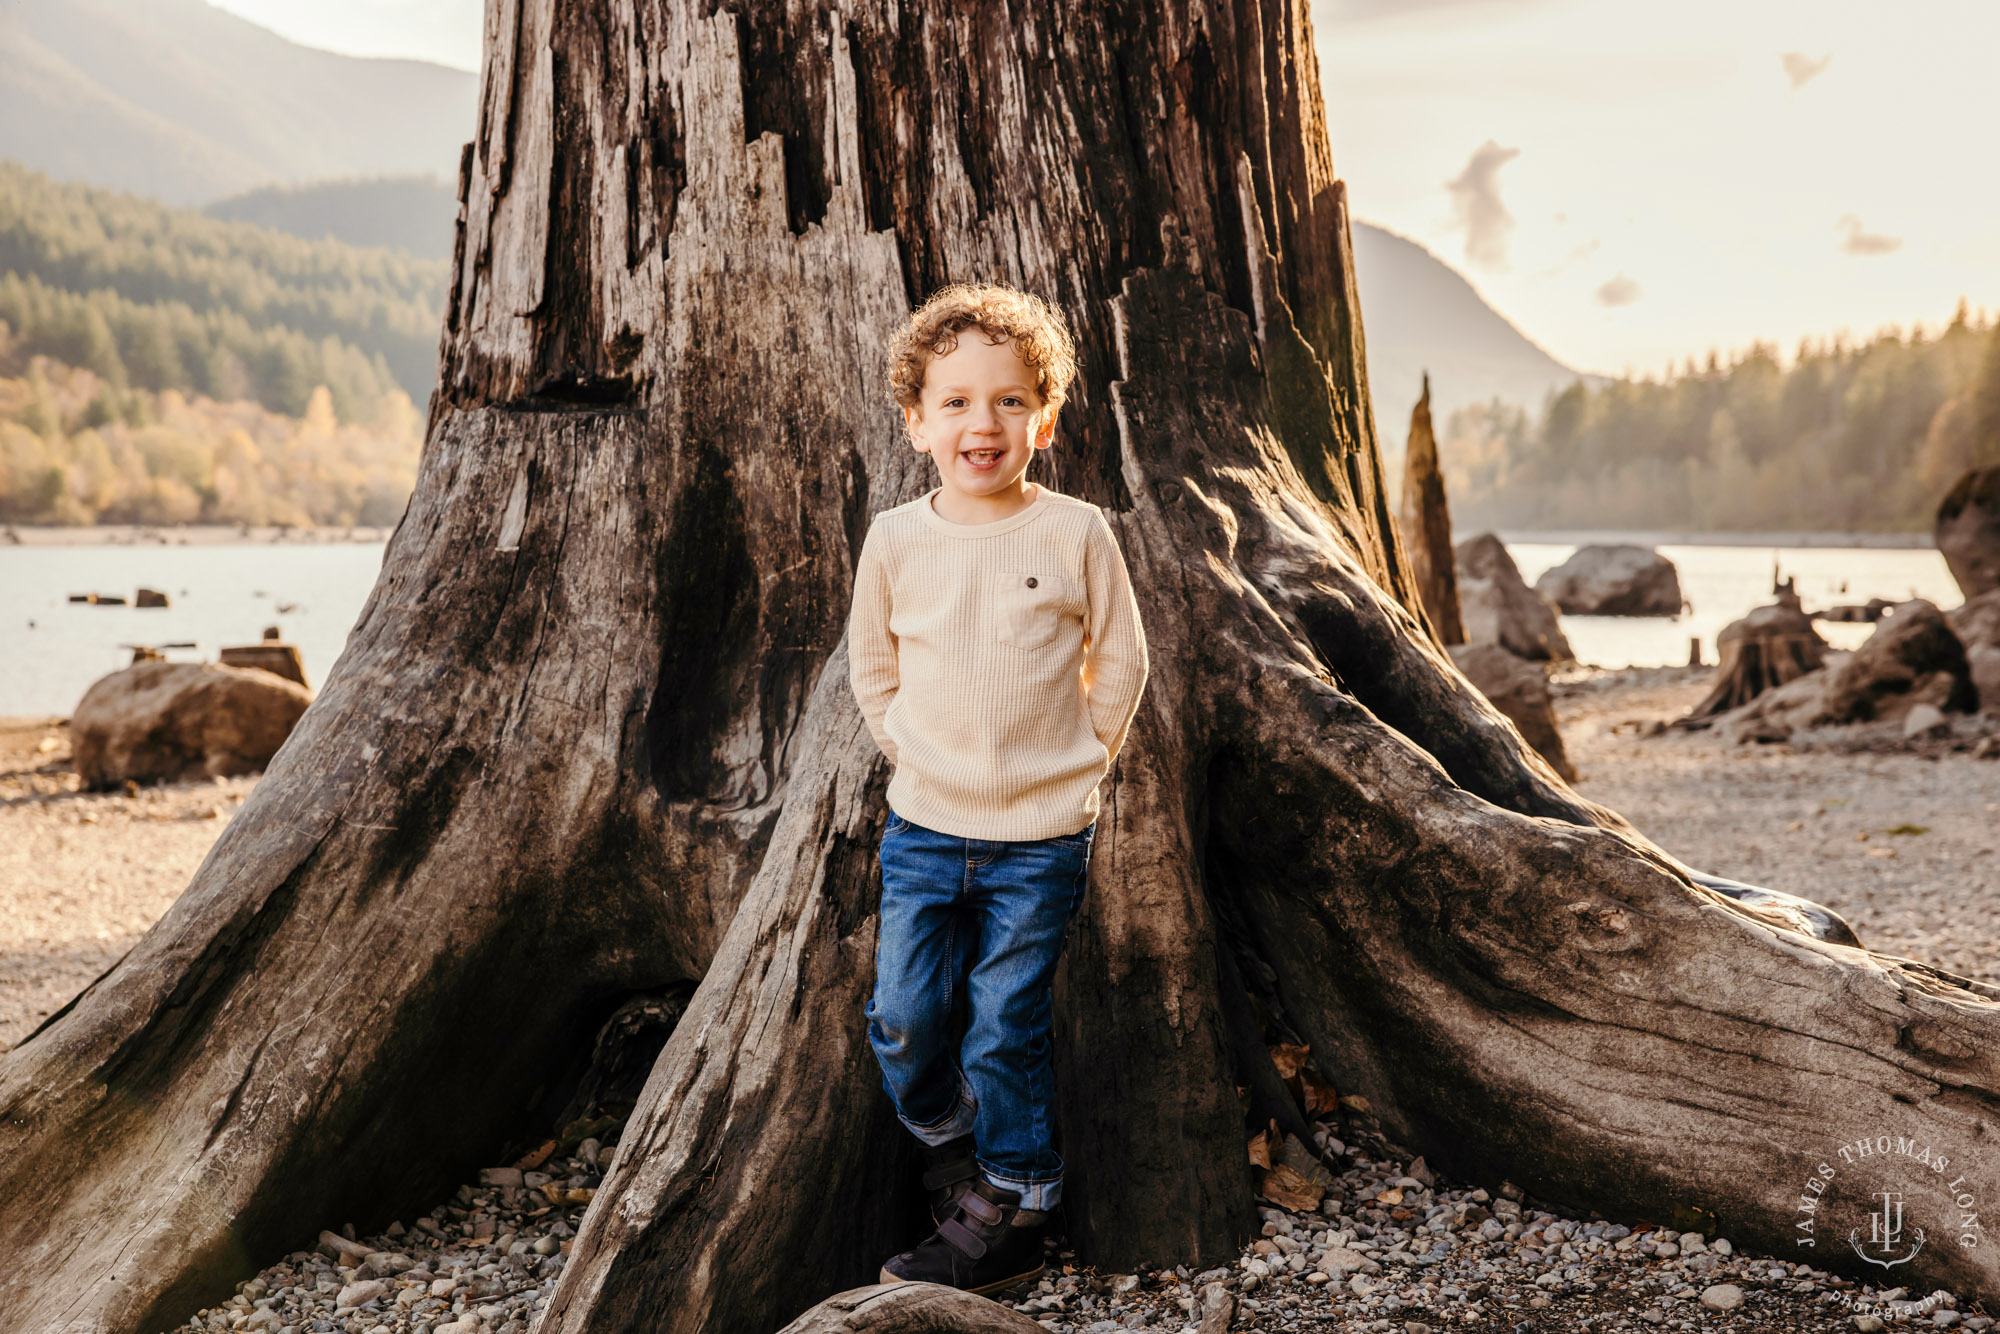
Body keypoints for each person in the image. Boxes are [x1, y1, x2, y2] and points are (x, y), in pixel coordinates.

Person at [846, 282, 1150, 1294]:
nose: (983, 421)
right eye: (957, 402)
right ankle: (955, 1130)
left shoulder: (1074, 531)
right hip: (926, 825)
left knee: (1003, 1016)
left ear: (1045, 418)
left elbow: (1120, 661)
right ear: (917, 421)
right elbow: (872, 670)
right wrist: (916, 754)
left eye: (1010, 400)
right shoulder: (894, 538)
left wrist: (1078, 763)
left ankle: (1018, 1192)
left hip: (1040, 836)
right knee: (901, 1012)